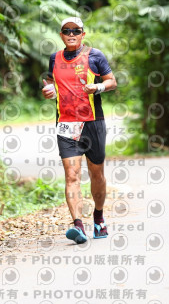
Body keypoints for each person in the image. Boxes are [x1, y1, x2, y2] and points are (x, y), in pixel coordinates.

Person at [41, 16, 117, 244]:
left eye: (76, 30)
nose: (71, 34)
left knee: (97, 174)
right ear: (61, 35)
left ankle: (99, 217)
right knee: (72, 175)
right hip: (66, 124)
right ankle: (78, 225)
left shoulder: (95, 56)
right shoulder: (54, 58)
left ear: (83, 34)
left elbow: (112, 81)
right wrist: (48, 90)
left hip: (93, 122)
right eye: (67, 31)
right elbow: (50, 82)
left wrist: (98, 86)